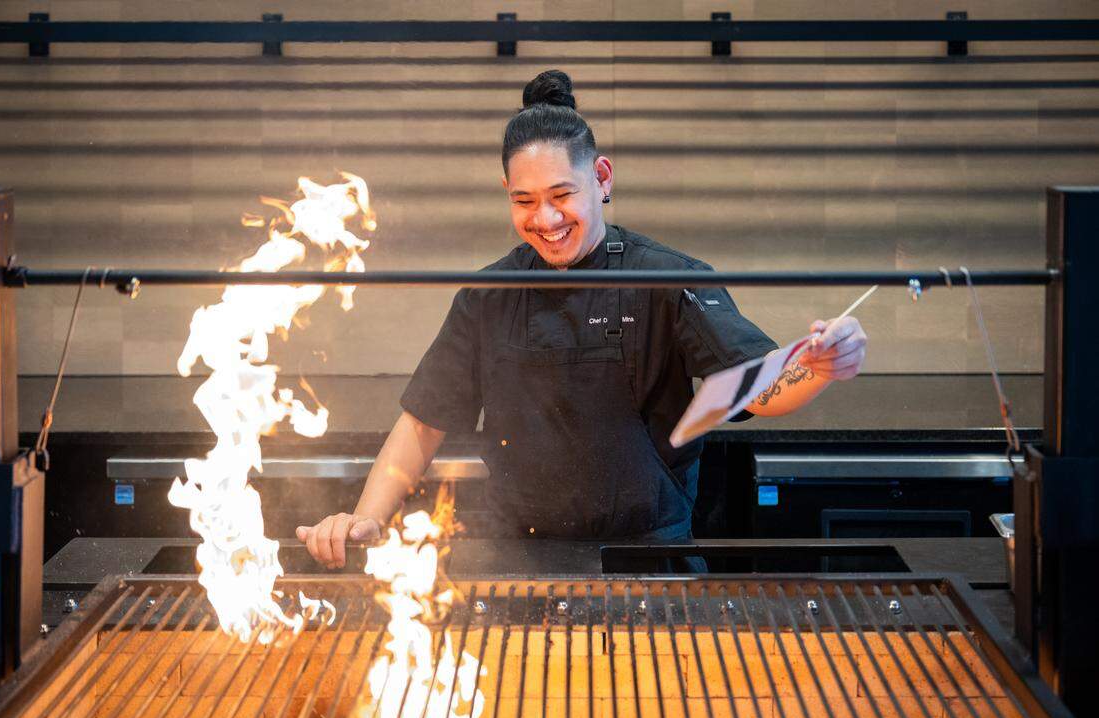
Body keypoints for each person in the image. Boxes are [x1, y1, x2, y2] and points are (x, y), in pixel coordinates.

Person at [296, 70, 867, 567]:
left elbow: (758, 388)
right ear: (506, 192)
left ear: (602, 177)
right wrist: (368, 517)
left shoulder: (665, 279)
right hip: (515, 563)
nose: (545, 219)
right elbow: (422, 424)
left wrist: (818, 364)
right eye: (523, 201)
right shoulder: (488, 295)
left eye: (561, 195)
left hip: (648, 562)